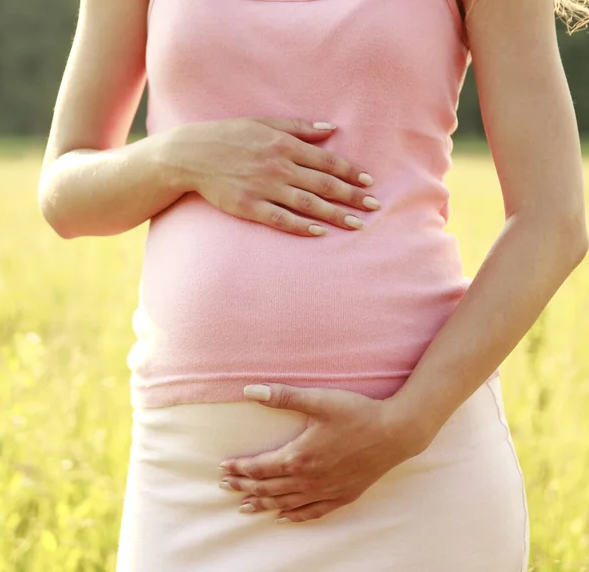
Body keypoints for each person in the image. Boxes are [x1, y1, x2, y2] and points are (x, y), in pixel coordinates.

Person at [38, 0, 588, 570]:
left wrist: (407, 425)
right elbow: (65, 198)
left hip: (417, 476)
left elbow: (554, 217)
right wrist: (179, 158)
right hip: (195, 483)